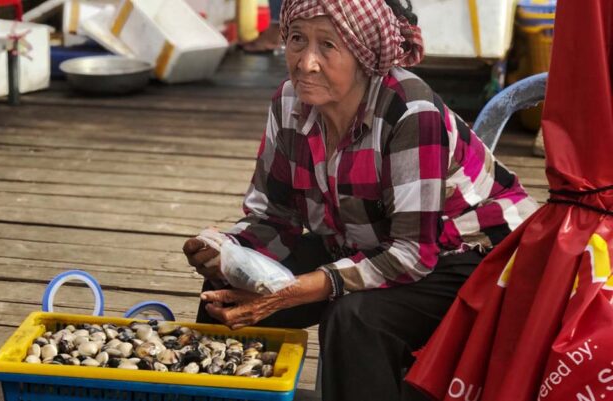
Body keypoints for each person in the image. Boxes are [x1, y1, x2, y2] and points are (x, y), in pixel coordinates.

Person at [183, 0, 538, 400]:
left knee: (353, 318)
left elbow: (411, 254)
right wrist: (230, 250)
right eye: (297, 39)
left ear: (364, 55)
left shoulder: (409, 112)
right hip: (363, 243)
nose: (306, 63)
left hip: (470, 257)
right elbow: (274, 215)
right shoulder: (288, 103)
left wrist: (300, 288)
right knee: (223, 292)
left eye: (328, 46)